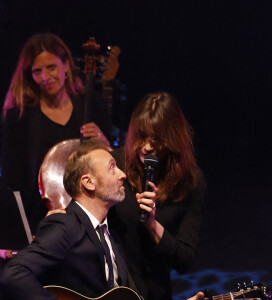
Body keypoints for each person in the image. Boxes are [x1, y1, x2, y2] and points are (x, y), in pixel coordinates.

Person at [1, 33, 112, 244]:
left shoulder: (92, 104)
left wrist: (105, 143)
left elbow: (111, 165)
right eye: (37, 71)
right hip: (39, 221)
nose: (44, 77)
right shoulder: (20, 115)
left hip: (90, 214)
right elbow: (11, 180)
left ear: (66, 66)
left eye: (51, 67)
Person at [0, 139, 133, 299]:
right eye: (112, 168)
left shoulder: (111, 233)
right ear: (89, 182)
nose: (123, 174)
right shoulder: (65, 225)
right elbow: (14, 273)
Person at [108, 91, 207, 299]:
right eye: (141, 137)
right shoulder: (115, 164)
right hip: (111, 289)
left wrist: (153, 225)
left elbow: (185, 260)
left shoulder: (189, 182)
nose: (146, 147)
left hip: (155, 292)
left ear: (172, 139)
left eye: (156, 140)